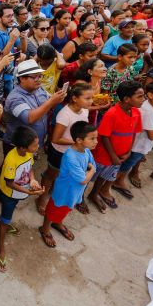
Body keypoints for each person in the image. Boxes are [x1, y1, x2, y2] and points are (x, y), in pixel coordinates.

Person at [87, 81, 144, 213]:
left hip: (120, 156)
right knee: (90, 175)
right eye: (140, 96)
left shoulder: (136, 112)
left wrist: (129, 151)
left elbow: (134, 133)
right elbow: (104, 136)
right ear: (126, 99)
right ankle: (80, 198)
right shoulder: (112, 113)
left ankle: (94, 194)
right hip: (104, 155)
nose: (143, 99)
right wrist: (112, 155)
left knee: (104, 177)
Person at [36, 83, 93, 214]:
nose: (91, 101)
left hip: (73, 151)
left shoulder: (85, 110)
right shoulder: (65, 114)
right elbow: (55, 139)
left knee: (62, 174)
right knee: (51, 174)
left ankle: (52, 191)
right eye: (87, 98)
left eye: (91, 98)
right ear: (74, 98)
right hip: (59, 152)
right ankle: (42, 197)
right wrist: (78, 142)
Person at [39, 121, 98, 248]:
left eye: (96, 138)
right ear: (79, 140)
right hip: (64, 192)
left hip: (75, 192)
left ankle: (58, 222)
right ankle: (45, 229)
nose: (96, 141)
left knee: (67, 208)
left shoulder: (86, 151)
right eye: (92, 138)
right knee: (52, 211)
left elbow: (92, 163)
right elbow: (83, 179)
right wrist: (92, 170)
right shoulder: (71, 157)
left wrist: (90, 169)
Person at [0, 126, 43, 271]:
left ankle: (7, 223)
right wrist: (30, 192)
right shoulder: (11, 159)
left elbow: (30, 169)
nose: (38, 146)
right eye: (35, 144)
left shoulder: (28, 154)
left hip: (19, 193)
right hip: (9, 193)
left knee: (11, 209)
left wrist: (33, 180)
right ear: (23, 147)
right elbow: (10, 183)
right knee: (5, 219)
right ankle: (0, 248)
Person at [117, 81, 153, 193]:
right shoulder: (148, 111)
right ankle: (117, 181)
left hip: (143, 144)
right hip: (137, 145)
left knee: (132, 162)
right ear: (151, 95)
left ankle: (118, 180)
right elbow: (152, 136)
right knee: (127, 164)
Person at [4, 59, 66, 152]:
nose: (39, 79)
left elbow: (48, 103)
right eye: (34, 77)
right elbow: (29, 118)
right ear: (22, 78)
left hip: (34, 144)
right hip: (19, 147)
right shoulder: (14, 98)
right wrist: (51, 102)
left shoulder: (38, 88)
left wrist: (57, 99)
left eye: (40, 76)